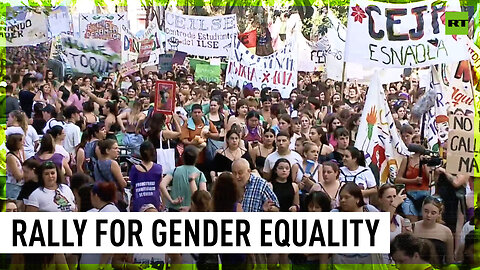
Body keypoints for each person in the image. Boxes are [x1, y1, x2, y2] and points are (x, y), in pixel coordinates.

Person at [330, 182, 385, 266]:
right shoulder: (334, 214)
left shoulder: (369, 210)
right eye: (341, 198)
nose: (343, 200)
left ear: (358, 199)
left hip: (367, 262)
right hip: (341, 262)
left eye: (347, 197)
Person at [160, 145, 207, 212]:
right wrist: (190, 207)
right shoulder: (200, 174)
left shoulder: (174, 171)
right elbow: (203, 197)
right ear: (196, 159)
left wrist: (171, 200)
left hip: (174, 209)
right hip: (191, 210)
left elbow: (162, 185)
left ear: (182, 157)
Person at [412, 196, 454, 265]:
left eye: (433, 213)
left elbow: (449, 260)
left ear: (439, 213)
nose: (428, 215)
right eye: (426, 211)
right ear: (422, 209)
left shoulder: (446, 231)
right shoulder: (413, 227)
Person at [129, 141, 163, 212]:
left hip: (138, 203)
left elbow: (132, 187)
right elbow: (161, 187)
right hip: (154, 202)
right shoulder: (159, 168)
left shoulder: (134, 169)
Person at [6, 134, 25, 200]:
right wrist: (27, 171)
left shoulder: (21, 151)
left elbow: (25, 164)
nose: (23, 143)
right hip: (13, 186)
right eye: (21, 141)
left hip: (22, 185)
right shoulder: (10, 157)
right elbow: (18, 176)